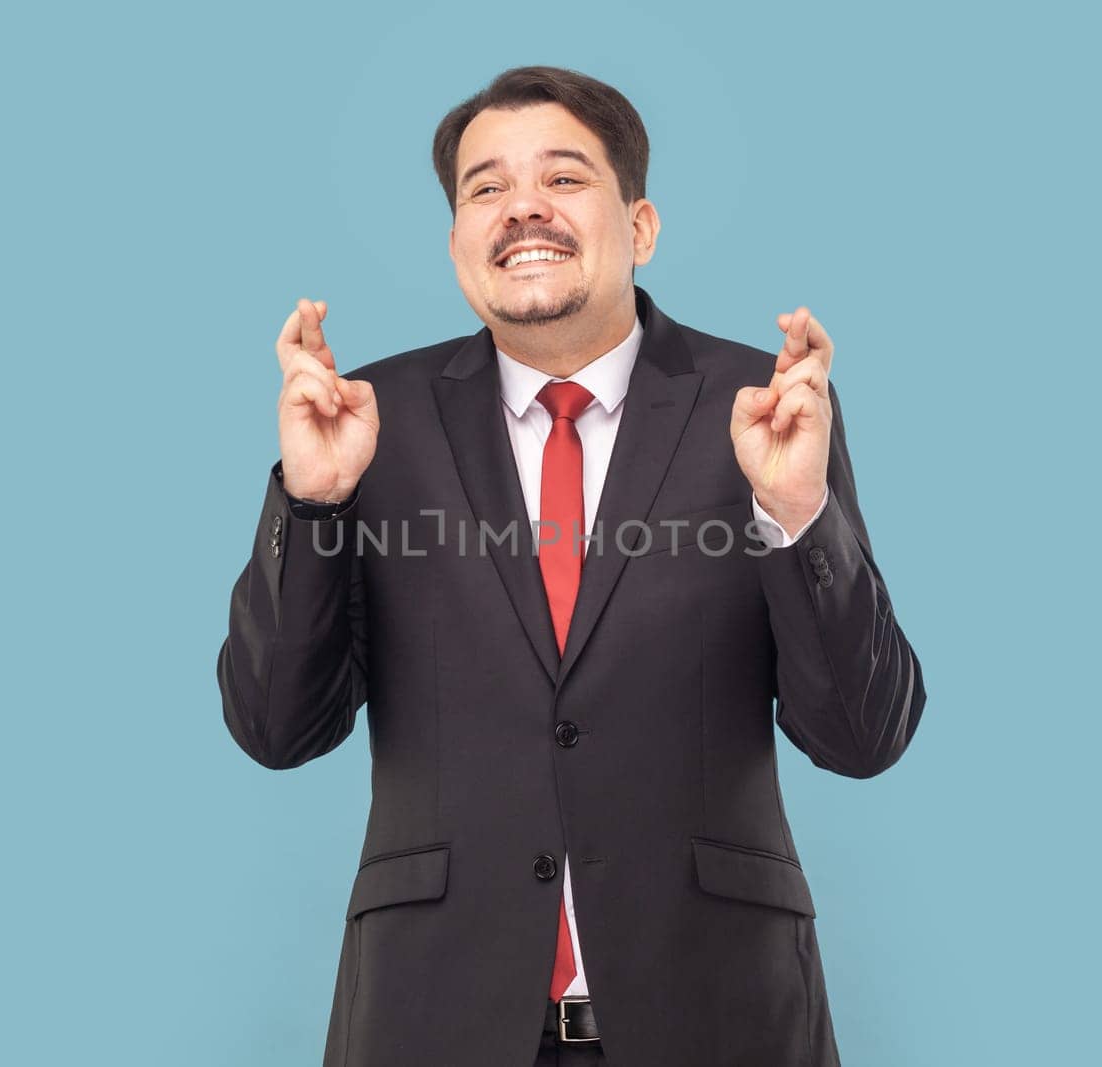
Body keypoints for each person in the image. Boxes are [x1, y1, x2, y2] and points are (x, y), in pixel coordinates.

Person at [216, 65, 926, 1067]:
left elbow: (862, 735)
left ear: (639, 226)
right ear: (458, 241)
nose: (522, 210)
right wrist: (315, 498)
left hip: (718, 1017)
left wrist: (795, 510)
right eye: (485, 188)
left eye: (562, 176)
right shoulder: (368, 419)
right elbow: (277, 727)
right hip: (432, 1021)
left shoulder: (758, 408)